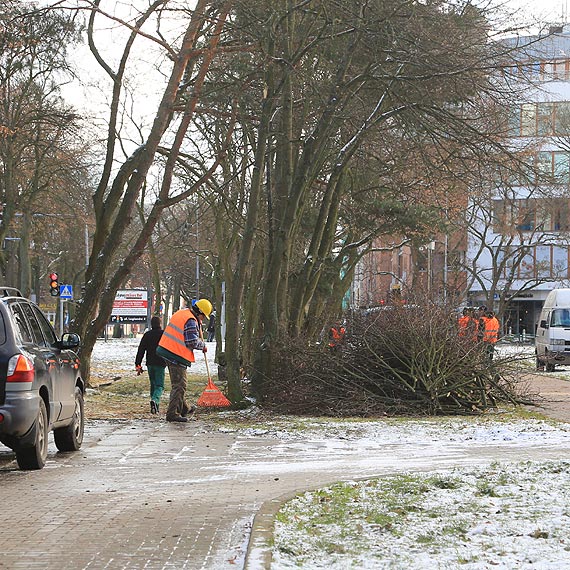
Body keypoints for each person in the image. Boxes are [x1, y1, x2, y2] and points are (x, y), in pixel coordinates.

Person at [157, 298, 213, 423]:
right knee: (179, 385)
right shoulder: (191, 321)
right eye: (203, 317)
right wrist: (202, 345)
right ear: (200, 313)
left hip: (167, 350)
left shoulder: (182, 313)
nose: (203, 319)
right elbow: (191, 341)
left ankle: (184, 408)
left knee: (179, 383)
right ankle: (172, 414)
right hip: (175, 354)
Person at [135, 316, 167, 414]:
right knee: (159, 385)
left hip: (150, 363)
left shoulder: (147, 335)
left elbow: (141, 350)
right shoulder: (164, 334)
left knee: (153, 384)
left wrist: (138, 363)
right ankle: (155, 400)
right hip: (160, 363)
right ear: (160, 324)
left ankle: (154, 407)